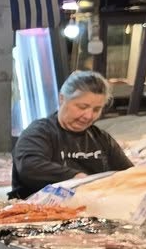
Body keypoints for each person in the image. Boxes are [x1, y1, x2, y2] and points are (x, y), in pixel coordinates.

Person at [11, 70, 132, 198]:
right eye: (82, 107)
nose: (88, 116)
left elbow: (128, 173)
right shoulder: (39, 132)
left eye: (96, 109)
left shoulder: (101, 138)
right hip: (41, 212)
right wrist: (76, 178)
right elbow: (29, 166)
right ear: (62, 99)